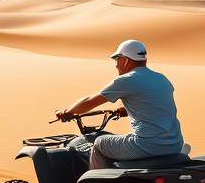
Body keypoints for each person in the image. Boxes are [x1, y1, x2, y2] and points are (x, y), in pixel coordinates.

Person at [57, 39, 185, 170]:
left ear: (125, 60)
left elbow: (89, 102)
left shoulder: (126, 80)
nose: (116, 65)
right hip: (175, 145)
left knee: (100, 142)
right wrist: (126, 110)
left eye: (117, 59)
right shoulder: (161, 78)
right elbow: (155, 105)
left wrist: (68, 112)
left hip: (146, 146)